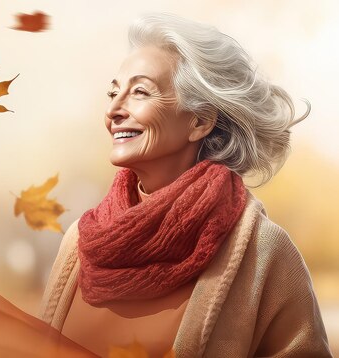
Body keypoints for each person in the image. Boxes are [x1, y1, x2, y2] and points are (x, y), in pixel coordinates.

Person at [38, 13, 332, 358]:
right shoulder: (79, 241)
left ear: (200, 121)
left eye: (140, 92)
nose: (114, 110)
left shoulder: (266, 252)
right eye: (113, 92)